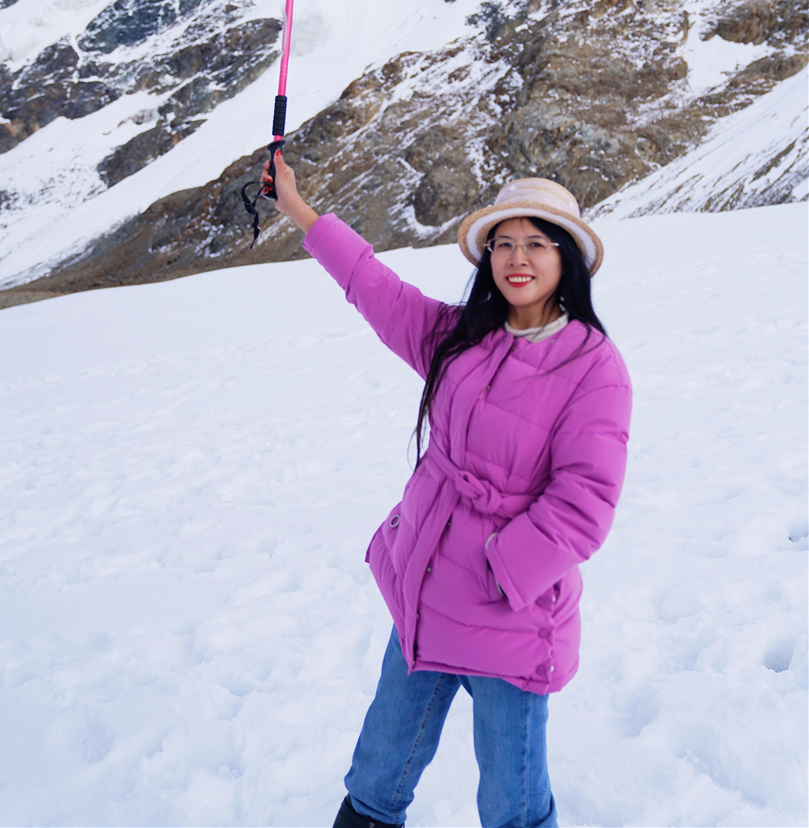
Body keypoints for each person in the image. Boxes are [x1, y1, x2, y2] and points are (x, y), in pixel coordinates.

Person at [260, 151, 632, 828]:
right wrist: (298, 209)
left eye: (536, 244)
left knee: (512, 805)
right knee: (377, 774)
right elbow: (375, 287)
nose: (517, 258)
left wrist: (500, 568)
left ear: (566, 258)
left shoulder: (593, 364)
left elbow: (586, 503)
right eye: (504, 243)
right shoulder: (462, 338)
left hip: (510, 618)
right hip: (425, 595)